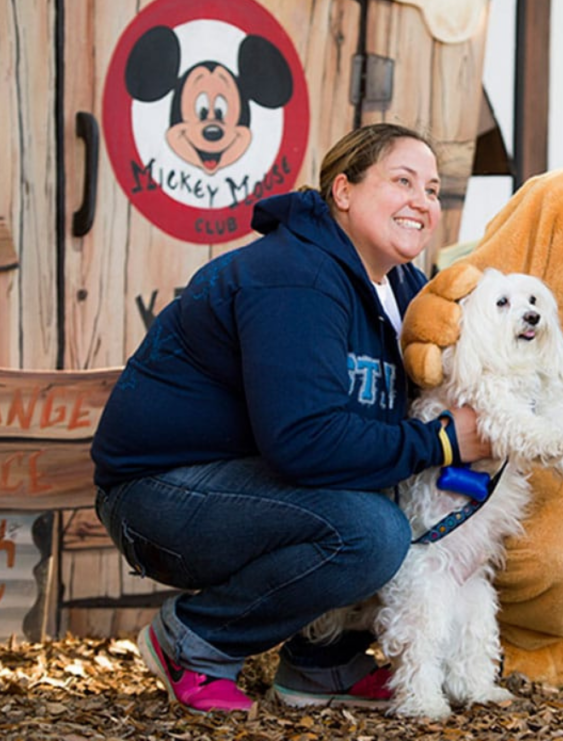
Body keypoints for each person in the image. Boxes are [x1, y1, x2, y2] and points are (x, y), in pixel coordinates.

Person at [91, 123, 490, 713]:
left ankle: (321, 663)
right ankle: (196, 640)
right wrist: (444, 443)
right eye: (401, 181)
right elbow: (305, 443)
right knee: (371, 532)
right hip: (160, 496)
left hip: (249, 485)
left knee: (393, 489)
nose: (422, 202)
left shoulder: (406, 288)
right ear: (343, 191)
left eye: (432, 190)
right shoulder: (293, 275)